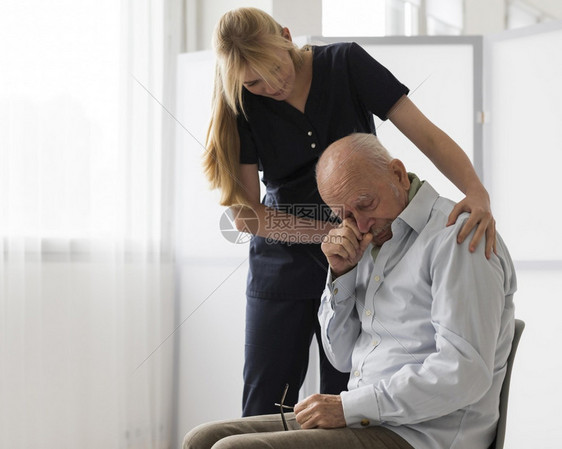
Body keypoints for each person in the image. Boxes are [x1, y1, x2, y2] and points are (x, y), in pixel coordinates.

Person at [204, 6, 497, 416]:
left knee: (347, 396)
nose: (271, 86)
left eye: (273, 68)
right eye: (253, 81)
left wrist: (476, 192)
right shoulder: (241, 102)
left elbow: (426, 136)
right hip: (284, 262)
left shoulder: (345, 64)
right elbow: (246, 216)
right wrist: (326, 236)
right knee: (266, 400)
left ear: (287, 37)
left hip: (358, 258)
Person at [183, 133, 516, 449]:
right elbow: (342, 358)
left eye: (365, 204)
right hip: (368, 420)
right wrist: (341, 274)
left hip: (424, 435)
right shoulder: (371, 239)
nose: (359, 224)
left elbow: (464, 371)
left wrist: (348, 407)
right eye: (343, 215)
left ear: (398, 174)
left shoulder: (457, 237)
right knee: (202, 439)